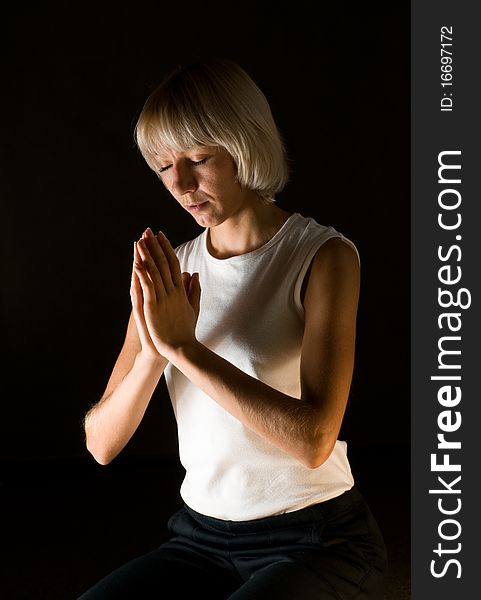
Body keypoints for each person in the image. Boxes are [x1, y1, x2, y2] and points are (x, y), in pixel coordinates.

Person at [78, 58, 388, 599]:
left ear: (244, 146)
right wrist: (154, 349)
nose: (179, 183)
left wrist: (183, 347)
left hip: (316, 538)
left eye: (199, 159)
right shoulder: (171, 271)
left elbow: (314, 441)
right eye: (163, 165)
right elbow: (101, 445)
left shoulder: (323, 257)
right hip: (199, 538)